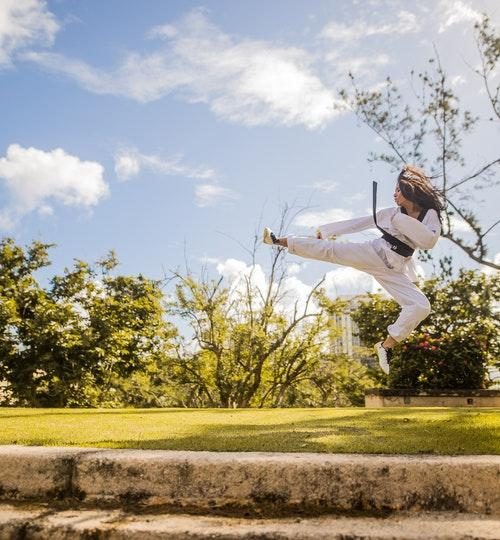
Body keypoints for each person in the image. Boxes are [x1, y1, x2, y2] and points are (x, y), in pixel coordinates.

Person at [263, 165, 444, 374]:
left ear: (409, 190)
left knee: (421, 306)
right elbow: (360, 223)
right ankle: (278, 240)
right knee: (330, 251)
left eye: (397, 190)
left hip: (394, 268)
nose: (394, 195)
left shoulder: (429, 214)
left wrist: (400, 220)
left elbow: (428, 241)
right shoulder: (390, 213)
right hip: (375, 253)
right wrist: (327, 230)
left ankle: (386, 346)